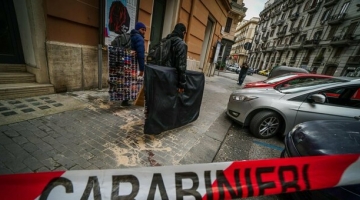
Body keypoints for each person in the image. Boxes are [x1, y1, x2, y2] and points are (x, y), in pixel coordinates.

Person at [121, 22, 146, 106]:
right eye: (143, 29)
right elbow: (141, 55)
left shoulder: (130, 36)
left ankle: (125, 99)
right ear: (138, 29)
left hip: (126, 61)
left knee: (127, 80)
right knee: (132, 81)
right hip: (133, 64)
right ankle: (127, 99)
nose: (144, 31)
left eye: (145, 30)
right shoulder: (139, 38)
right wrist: (142, 69)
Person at [163, 23, 188, 93]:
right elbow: (181, 66)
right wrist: (182, 85)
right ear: (183, 32)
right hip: (172, 78)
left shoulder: (165, 40)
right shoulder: (181, 44)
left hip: (162, 75)